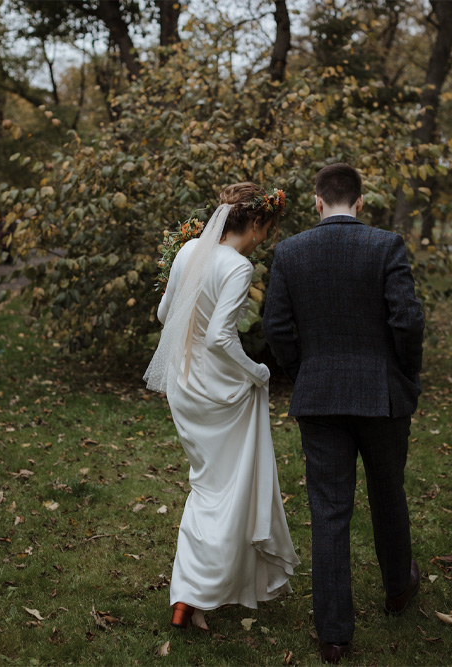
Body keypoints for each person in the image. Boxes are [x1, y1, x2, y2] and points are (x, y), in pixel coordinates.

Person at [262, 162, 424, 664]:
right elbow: (408, 320)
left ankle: (334, 635)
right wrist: (404, 376)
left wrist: (303, 370)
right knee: (387, 491)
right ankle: (398, 590)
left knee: (329, 510)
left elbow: (277, 328)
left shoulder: (290, 252)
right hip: (382, 396)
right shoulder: (386, 245)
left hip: (321, 395)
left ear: (316, 202)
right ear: (359, 202)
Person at [144, 183, 300, 631]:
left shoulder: (188, 250)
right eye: (265, 230)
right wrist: (258, 372)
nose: (263, 240)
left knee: (206, 484)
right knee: (225, 490)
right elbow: (220, 337)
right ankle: (197, 590)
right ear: (253, 221)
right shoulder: (237, 266)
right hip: (221, 390)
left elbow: (163, 315)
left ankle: (192, 594)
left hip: (183, 383)